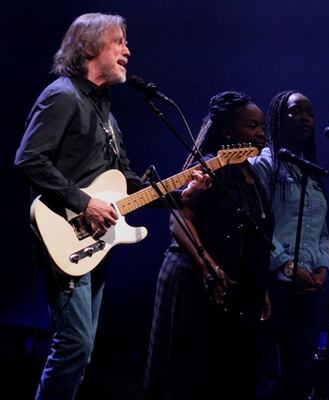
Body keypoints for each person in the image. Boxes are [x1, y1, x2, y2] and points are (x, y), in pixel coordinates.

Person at [13, 13, 208, 400]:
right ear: (88, 47)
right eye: (118, 41)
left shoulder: (107, 115)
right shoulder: (62, 95)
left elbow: (125, 182)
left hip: (94, 244)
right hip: (63, 236)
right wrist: (84, 203)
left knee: (81, 353)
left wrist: (178, 192)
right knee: (73, 348)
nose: (127, 50)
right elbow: (29, 158)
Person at [144, 91, 274, 399]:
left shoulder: (250, 175)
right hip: (193, 279)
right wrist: (209, 266)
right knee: (188, 378)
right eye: (251, 126)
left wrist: (261, 288)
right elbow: (178, 221)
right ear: (229, 130)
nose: (260, 133)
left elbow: (252, 236)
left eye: (262, 126)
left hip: (232, 288)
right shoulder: (205, 169)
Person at [251, 90, 329, 400]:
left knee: (301, 374)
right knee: (269, 372)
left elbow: (322, 229)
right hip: (275, 283)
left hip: (309, 284)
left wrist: (324, 267)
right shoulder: (264, 165)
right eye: (296, 111)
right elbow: (255, 223)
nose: (305, 118)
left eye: (310, 113)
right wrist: (286, 264)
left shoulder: (310, 172)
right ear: (277, 118)